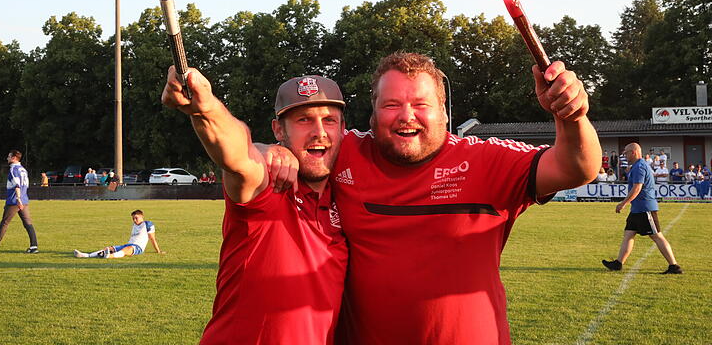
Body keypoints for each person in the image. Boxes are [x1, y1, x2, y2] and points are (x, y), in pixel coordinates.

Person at [323, 52, 599, 344]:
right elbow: (293, 149)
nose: (406, 115)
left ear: (443, 112)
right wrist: (269, 154)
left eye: (420, 104)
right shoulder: (343, 153)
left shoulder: (485, 161)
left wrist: (572, 116)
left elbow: (577, 169)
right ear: (373, 113)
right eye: (391, 105)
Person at [161, 67, 348, 345]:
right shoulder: (270, 183)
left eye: (329, 120)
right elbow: (238, 156)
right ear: (278, 130)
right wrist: (207, 109)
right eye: (304, 120)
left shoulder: (347, 192)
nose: (319, 132)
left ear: (343, 129)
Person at [602, 143, 682, 274]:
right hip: (637, 209)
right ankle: (618, 263)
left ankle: (674, 266)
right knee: (628, 234)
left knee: (657, 236)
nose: (624, 156)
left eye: (626, 153)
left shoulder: (639, 166)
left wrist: (623, 203)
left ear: (633, 152)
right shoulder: (637, 166)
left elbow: (637, 188)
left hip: (645, 208)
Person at [0, 150, 38, 253]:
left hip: (14, 200)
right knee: (28, 223)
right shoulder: (23, 170)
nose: (7, 158)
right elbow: (26, 185)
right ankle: (34, 246)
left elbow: (17, 184)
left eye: (9, 156)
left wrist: (18, 199)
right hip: (24, 199)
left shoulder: (13, 169)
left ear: (14, 158)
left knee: (5, 223)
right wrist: (22, 198)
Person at [74, 209, 164, 258]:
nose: (134, 220)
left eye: (136, 218)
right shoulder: (134, 225)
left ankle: (109, 256)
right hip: (128, 244)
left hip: (138, 248)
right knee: (109, 248)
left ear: (142, 216)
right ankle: (86, 255)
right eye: (133, 218)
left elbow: (152, 239)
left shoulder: (148, 224)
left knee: (126, 250)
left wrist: (158, 251)